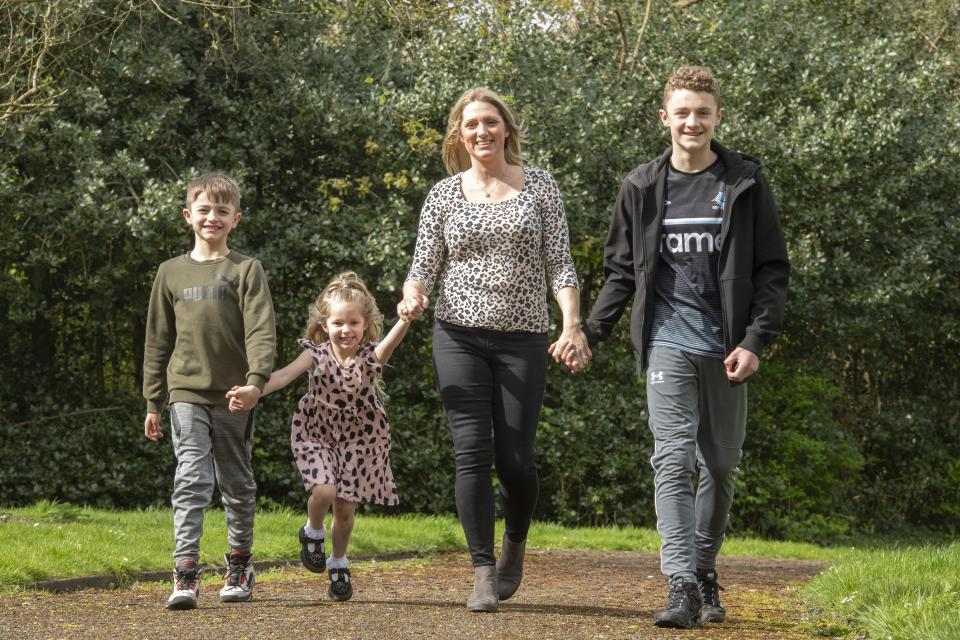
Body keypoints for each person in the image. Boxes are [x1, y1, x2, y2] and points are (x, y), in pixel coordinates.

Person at [579, 66, 789, 629]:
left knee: (719, 466)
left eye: (702, 111)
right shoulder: (642, 187)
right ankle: (682, 584)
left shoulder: (743, 181)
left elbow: (772, 271)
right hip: (666, 343)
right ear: (664, 118)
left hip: (727, 350)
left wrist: (754, 341)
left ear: (717, 116)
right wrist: (588, 331)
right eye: (682, 112)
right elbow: (621, 272)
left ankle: (703, 565)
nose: (692, 121)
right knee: (671, 458)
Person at [400, 86, 591, 612]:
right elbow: (422, 268)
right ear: (459, 136)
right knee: (471, 452)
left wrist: (571, 326)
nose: (480, 132)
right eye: (470, 125)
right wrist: (412, 293)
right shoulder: (443, 195)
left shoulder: (541, 188)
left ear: (506, 128)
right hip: (457, 335)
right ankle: (483, 571)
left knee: (515, 462)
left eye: (489, 122)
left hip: (523, 340)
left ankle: (515, 544)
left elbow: (562, 266)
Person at [227, 272, 410, 602]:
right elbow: (282, 376)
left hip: (360, 438)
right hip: (316, 432)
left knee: (345, 507)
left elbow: (390, 344)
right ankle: (313, 531)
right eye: (338, 322)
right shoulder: (316, 354)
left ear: (365, 326)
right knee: (324, 490)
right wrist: (254, 390)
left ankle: (338, 562)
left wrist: (405, 319)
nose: (345, 330)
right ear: (325, 325)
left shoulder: (369, 356)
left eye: (353, 322)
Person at [142, 173, 276, 610]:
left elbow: (261, 330)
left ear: (235, 218)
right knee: (192, 478)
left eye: (221, 211)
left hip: (236, 393)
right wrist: (152, 401)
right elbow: (158, 339)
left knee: (236, 483)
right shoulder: (170, 273)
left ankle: (239, 564)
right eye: (203, 209)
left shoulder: (245, 269)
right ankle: (185, 572)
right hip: (185, 393)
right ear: (188, 216)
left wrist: (256, 383)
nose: (212, 217)